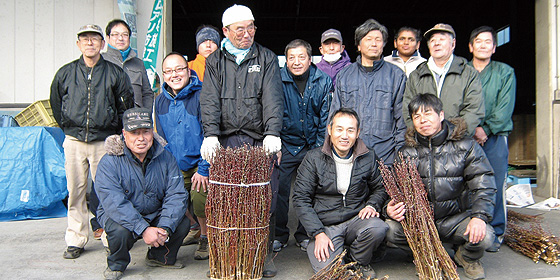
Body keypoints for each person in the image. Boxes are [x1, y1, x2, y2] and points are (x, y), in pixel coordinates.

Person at [199, 4, 283, 277]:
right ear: (225, 31)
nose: (247, 34)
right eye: (240, 29)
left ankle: (261, 256)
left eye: (251, 27)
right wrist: (210, 134)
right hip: (225, 143)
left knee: (263, 199)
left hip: (259, 141)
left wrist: (273, 132)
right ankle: (232, 257)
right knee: (228, 201)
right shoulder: (214, 62)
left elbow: (272, 98)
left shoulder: (267, 58)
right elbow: (209, 100)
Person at [386, 94, 496, 280]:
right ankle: (427, 253)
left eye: (427, 113)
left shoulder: (465, 145)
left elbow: (483, 183)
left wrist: (479, 216)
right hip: (420, 223)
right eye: (417, 116)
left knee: (485, 236)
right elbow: (393, 190)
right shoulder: (406, 152)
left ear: (441, 115)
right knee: (389, 229)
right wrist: (388, 208)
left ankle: (466, 256)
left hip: (455, 220)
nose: (423, 120)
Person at [50, 24, 133, 259]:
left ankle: (110, 235)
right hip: (74, 140)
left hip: (103, 141)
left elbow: (125, 105)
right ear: (78, 44)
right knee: (75, 191)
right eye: (85, 39)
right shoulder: (65, 72)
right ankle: (76, 238)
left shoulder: (115, 73)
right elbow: (56, 102)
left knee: (108, 191)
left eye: (94, 39)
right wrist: (68, 125)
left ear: (102, 44)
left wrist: (115, 133)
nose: (90, 43)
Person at [95, 108, 190, 280]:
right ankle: (117, 263)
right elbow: (114, 203)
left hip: (154, 211)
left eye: (145, 132)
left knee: (181, 222)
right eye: (134, 133)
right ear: (124, 134)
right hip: (121, 215)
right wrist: (143, 229)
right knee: (119, 230)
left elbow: (176, 194)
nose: (141, 138)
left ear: (152, 132)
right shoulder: (109, 162)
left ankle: (159, 256)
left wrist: (164, 227)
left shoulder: (166, 157)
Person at [293, 108, 388, 278]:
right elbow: (300, 199)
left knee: (378, 227)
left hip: (355, 219)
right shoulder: (313, 158)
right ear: (330, 130)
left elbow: (380, 187)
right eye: (339, 129)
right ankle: (334, 254)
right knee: (328, 272)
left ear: (357, 133)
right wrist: (318, 233)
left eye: (350, 130)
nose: (344, 135)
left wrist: (372, 205)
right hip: (326, 225)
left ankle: (357, 260)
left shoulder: (368, 157)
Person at [274, 39, 332, 253]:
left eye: (301, 57)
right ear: (286, 60)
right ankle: (279, 234)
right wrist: (276, 144)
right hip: (286, 144)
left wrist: (318, 148)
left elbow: (326, 117)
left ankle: (303, 233)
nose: (296, 62)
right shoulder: (276, 80)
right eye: (291, 58)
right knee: (280, 190)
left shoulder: (323, 80)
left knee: (309, 191)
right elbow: (273, 114)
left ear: (310, 59)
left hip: (312, 145)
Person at [154, 52, 210, 260]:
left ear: (188, 70)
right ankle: (195, 227)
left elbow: (210, 134)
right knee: (168, 197)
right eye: (168, 71)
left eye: (179, 69)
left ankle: (205, 236)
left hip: (200, 161)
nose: (174, 75)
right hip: (175, 162)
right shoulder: (160, 101)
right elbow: (161, 138)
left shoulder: (202, 95)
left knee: (199, 197)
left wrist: (204, 168)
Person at [330, 19, 407, 165]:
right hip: (351, 154)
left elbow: (402, 120)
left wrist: (400, 154)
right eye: (369, 39)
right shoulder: (345, 75)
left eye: (378, 40)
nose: (374, 44)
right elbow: (334, 116)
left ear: (384, 45)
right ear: (358, 45)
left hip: (387, 155)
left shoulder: (396, 75)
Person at [468, 26, 516, 252]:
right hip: (467, 136)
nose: (483, 45)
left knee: (495, 184)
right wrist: (473, 127)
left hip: (495, 136)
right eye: (479, 41)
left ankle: (495, 232)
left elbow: (504, 107)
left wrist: (485, 128)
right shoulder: (463, 70)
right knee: (466, 185)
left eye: (488, 42)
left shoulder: (504, 71)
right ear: (470, 46)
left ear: (494, 47)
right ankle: (470, 230)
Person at [403, 23, 484, 136]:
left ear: (453, 44)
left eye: (442, 39)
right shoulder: (416, 75)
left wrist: (454, 135)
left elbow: (474, 109)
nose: (437, 43)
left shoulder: (468, 73)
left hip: (457, 141)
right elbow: (408, 109)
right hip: (425, 143)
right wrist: (421, 135)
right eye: (432, 40)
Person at [103, 19, 154, 110]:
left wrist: (146, 114)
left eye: (125, 35)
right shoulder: (101, 61)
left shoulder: (138, 64)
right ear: (107, 38)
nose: (120, 38)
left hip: (135, 119)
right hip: (109, 120)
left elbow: (147, 93)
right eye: (115, 34)